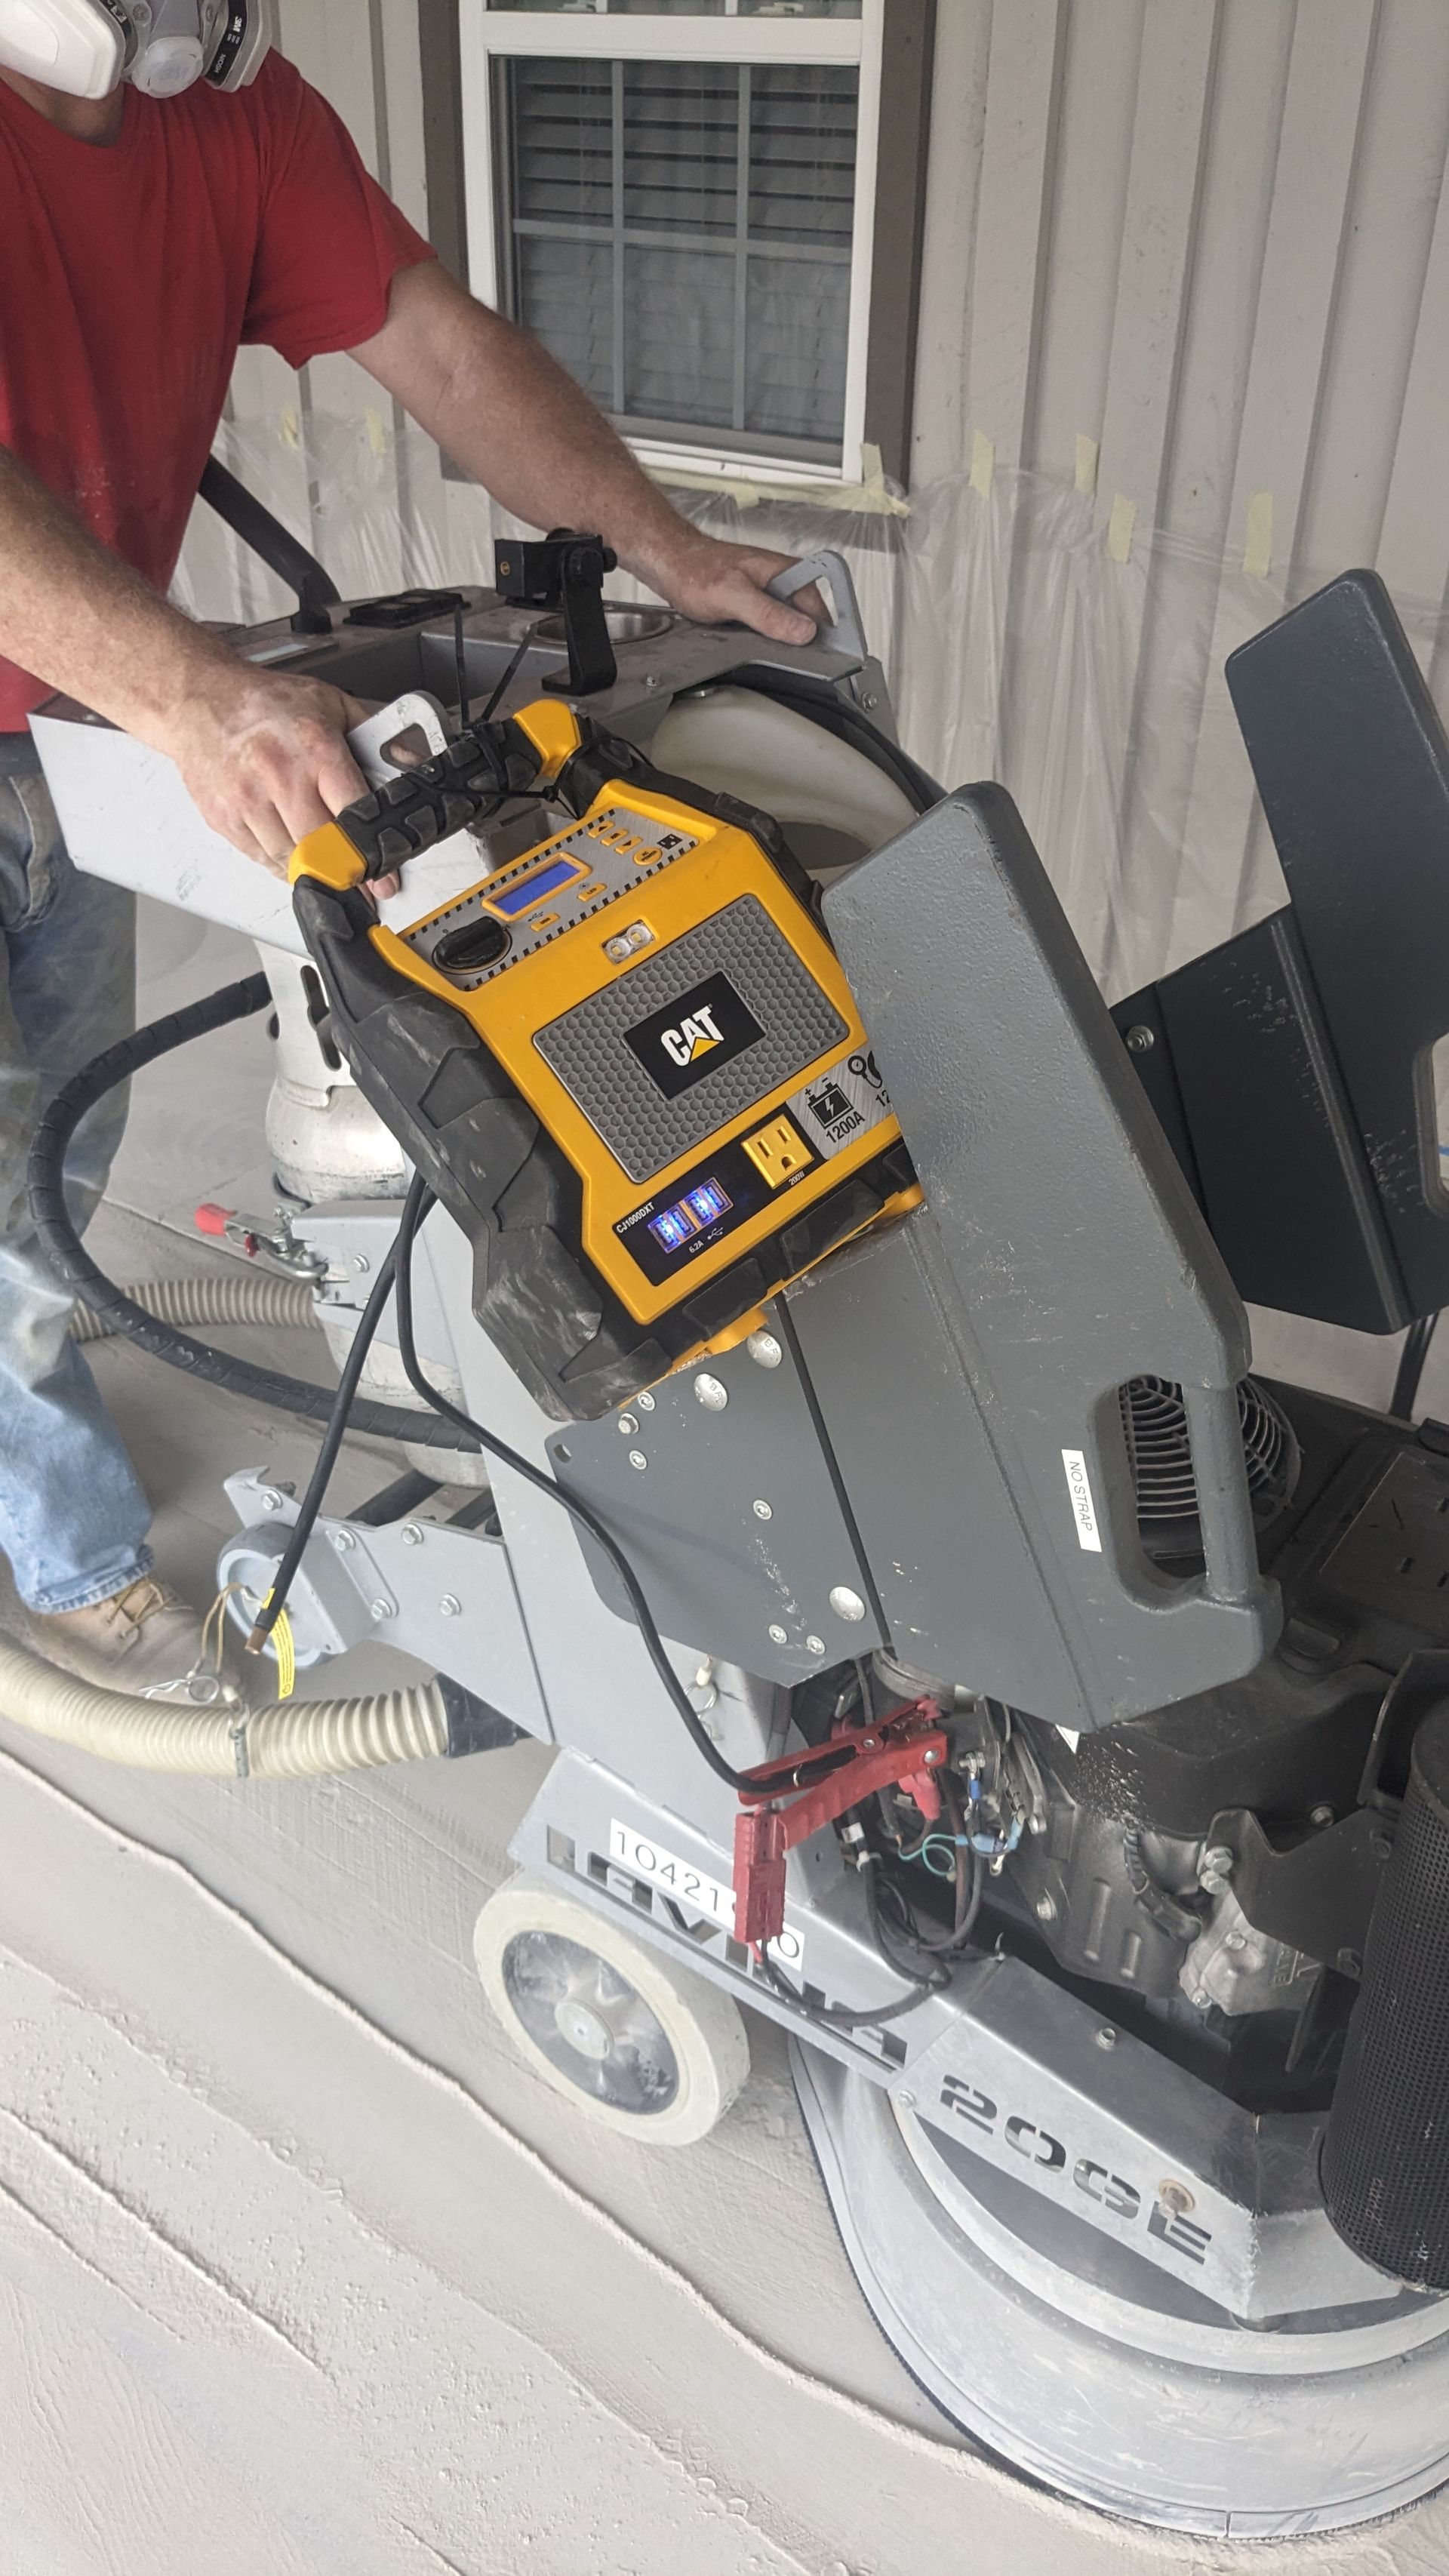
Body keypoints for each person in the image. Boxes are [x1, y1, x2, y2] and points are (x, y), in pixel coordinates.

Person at [0, 24, 820, 1696]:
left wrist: (660, 548)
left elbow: (442, 349)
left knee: (48, 1161)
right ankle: (62, 1540)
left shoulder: (229, 116)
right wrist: (196, 700)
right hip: (102, 697)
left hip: (60, 727)